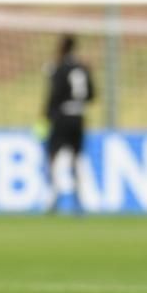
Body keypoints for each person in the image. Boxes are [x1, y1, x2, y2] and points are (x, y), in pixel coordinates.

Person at [44, 34, 95, 212]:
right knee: (76, 158)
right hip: (79, 117)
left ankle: (53, 197)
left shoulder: (59, 67)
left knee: (52, 156)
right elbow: (91, 95)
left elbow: (54, 94)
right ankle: (78, 200)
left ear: (62, 47)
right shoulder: (83, 67)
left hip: (61, 116)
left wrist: (46, 116)